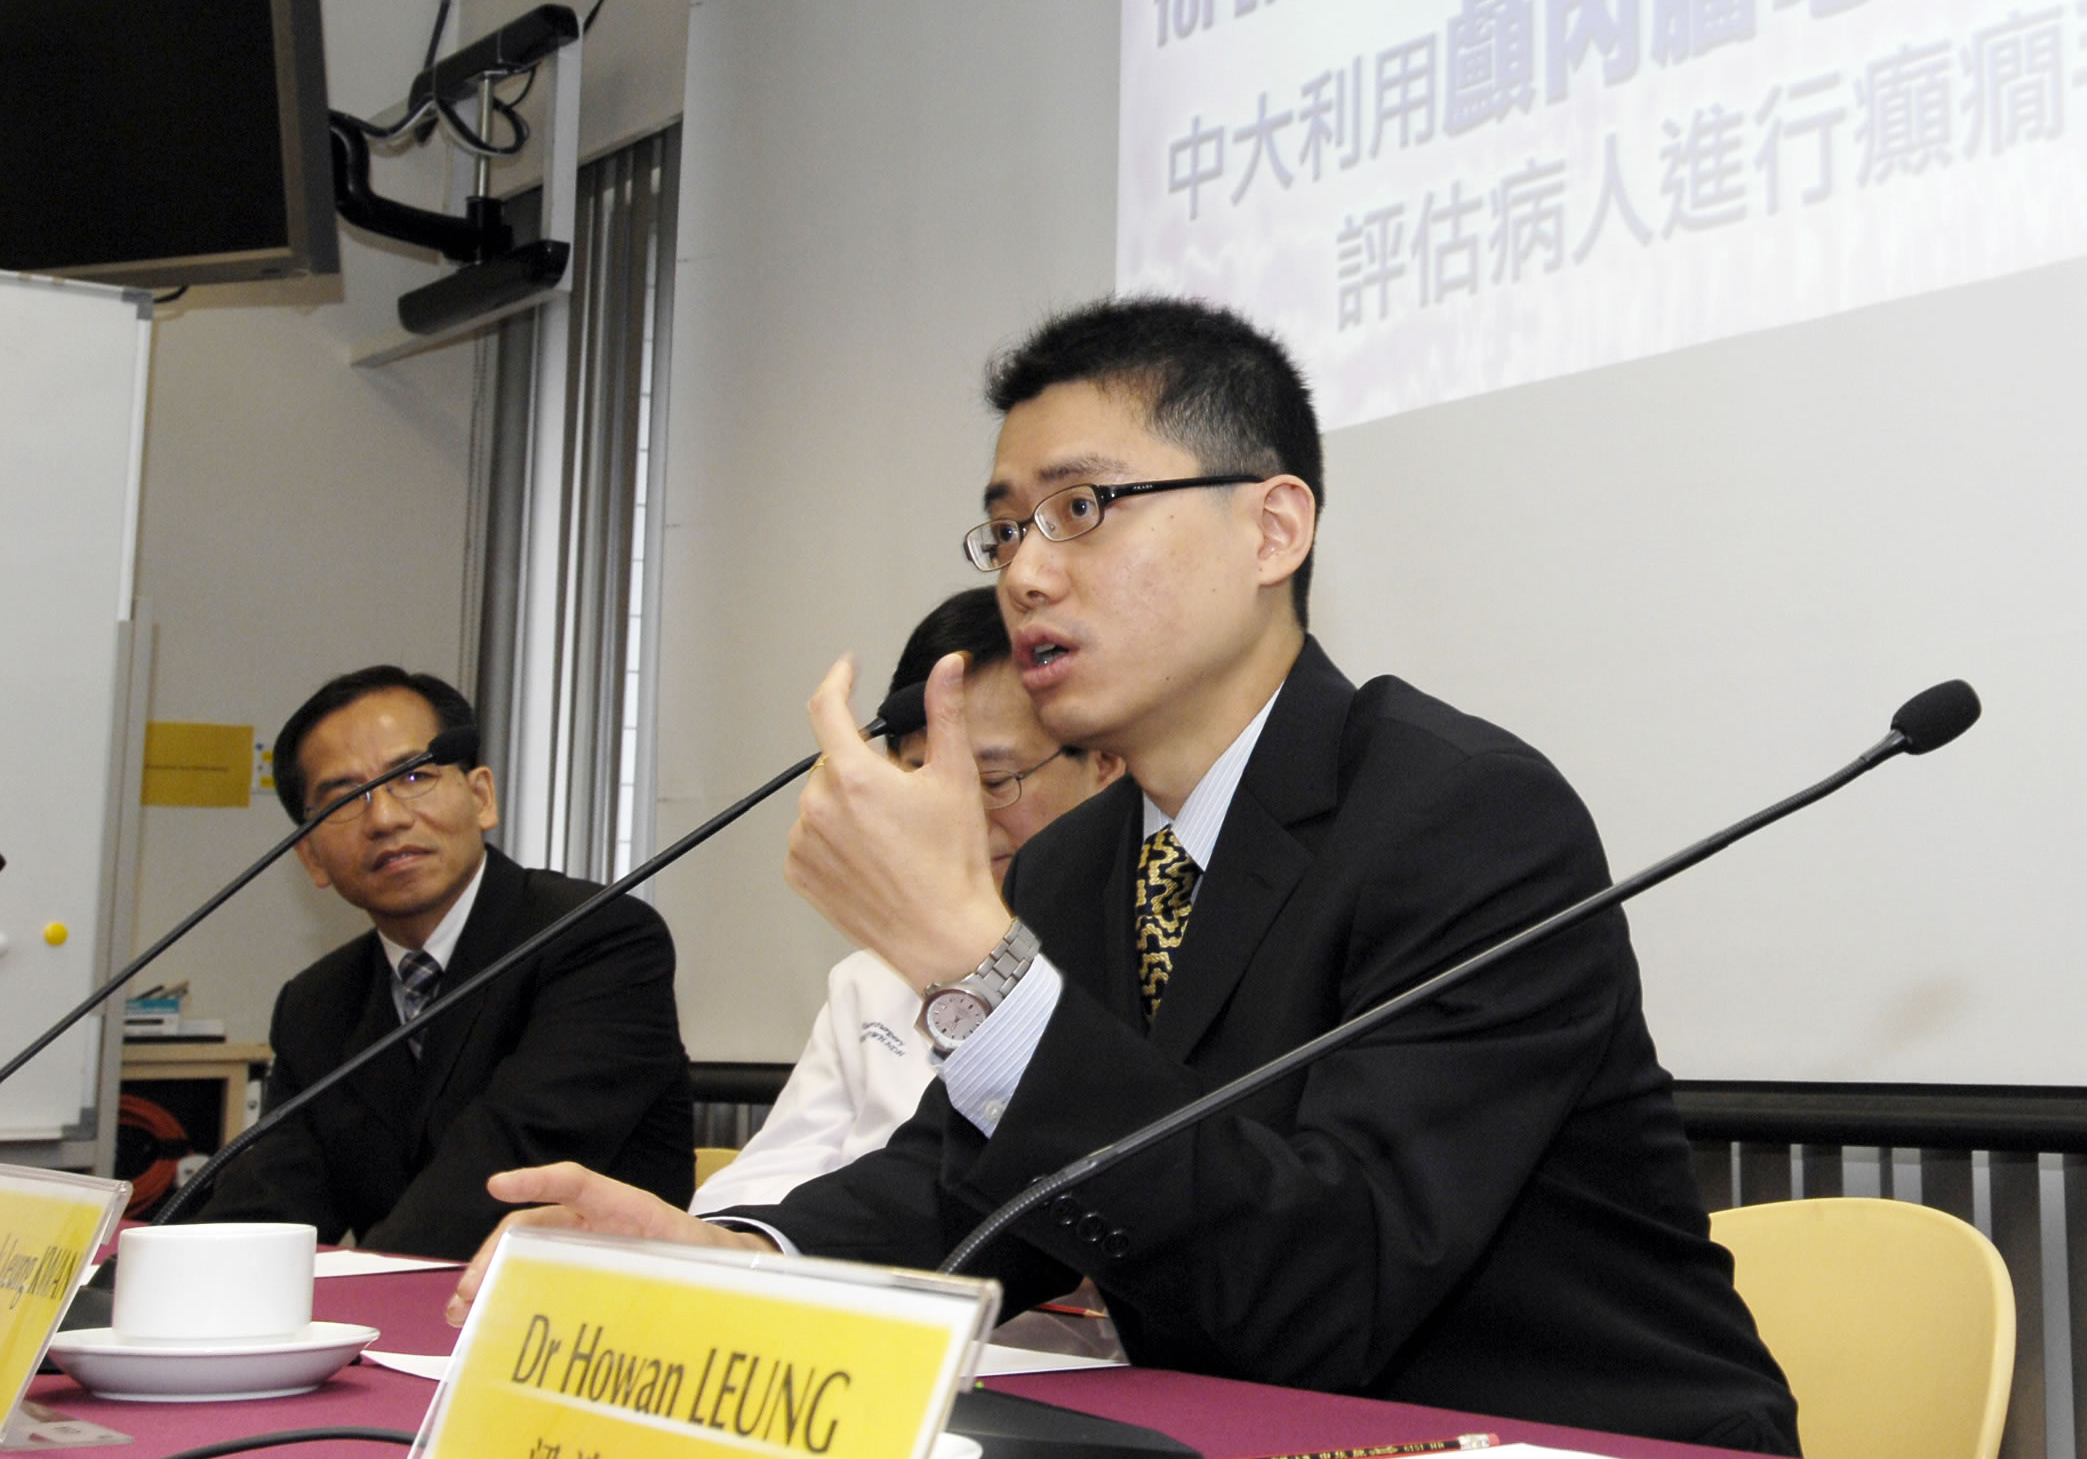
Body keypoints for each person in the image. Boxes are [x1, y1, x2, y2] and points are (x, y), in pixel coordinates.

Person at [454, 298, 1797, 1453]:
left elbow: (1326, 1292)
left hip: (1568, 1436)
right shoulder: (1092, 856)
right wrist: (737, 1261)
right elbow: (978, 1191)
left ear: (1274, 529)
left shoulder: (1466, 818)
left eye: (1084, 510)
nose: (1029, 572)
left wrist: (971, 970)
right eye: (1006, 529)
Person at [192, 668, 693, 1257]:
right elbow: (270, 1198)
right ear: (311, 857)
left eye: (413, 776)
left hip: (583, 1322)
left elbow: (509, 1161)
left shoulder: (597, 938)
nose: (385, 819)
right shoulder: (317, 1002)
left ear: (481, 797)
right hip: (404, 1328)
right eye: (346, 800)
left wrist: (367, 1288)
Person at [693, 589, 1119, 1212]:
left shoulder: (1149, 958)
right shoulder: (868, 979)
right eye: (925, 775)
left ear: (1105, 762)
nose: (958, 817)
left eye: (994, 781)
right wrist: (714, 1241)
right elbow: (772, 1175)